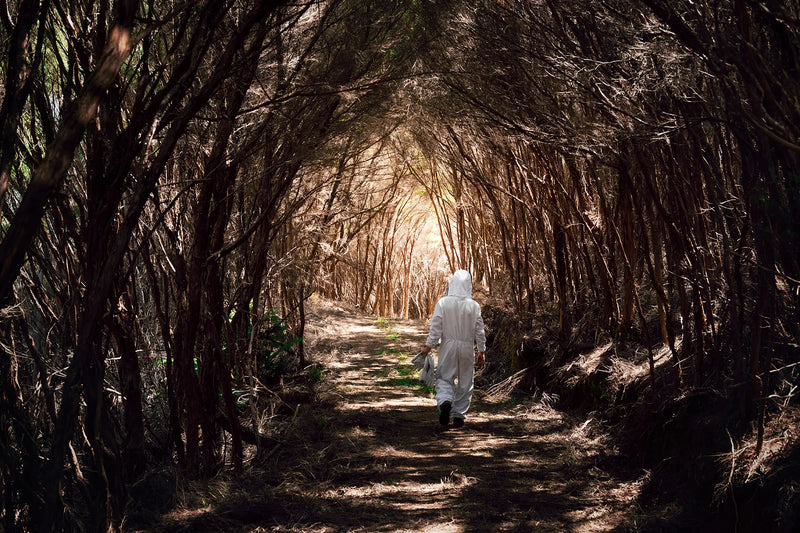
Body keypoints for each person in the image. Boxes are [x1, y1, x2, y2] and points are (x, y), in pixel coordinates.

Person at [421, 269, 486, 428]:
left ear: (453, 283)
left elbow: (435, 329)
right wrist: (481, 350)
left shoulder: (443, 303)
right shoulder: (474, 306)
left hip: (448, 345)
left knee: (444, 377)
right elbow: (479, 330)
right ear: (469, 285)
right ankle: (458, 416)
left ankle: (445, 402)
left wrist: (429, 346)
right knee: (465, 381)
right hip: (467, 346)